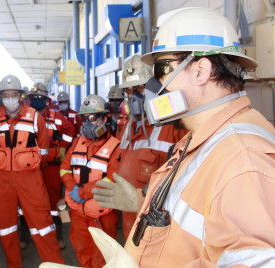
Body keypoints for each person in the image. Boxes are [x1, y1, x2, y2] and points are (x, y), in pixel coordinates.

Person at [95, 7, 275, 267]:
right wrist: (141, 202)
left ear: (201, 71)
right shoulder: (203, 140)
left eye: (160, 70)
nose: (153, 87)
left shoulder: (243, 161)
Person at [103, 55, 187, 240]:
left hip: (157, 221)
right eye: (130, 90)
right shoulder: (128, 127)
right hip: (129, 216)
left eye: (140, 87)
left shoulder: (173, 125)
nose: (134, 96)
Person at [0, 74, 65, 268]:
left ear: (21, 96)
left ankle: (55, 264)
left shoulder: (35, 117)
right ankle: (14, 265)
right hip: (2, 181)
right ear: (0, 96)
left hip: (30, 179)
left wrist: (25, 165)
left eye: (14, 94)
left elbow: (44, 151)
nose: (10, 98)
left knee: (43, 225)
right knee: (6, 228)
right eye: (6, 94)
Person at [59, 94, 120, 267]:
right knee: (82, 252)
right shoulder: (78, 142)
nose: (87, 123)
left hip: (102, 214)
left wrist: (83, 192)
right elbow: (64, 168)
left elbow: (113, 178)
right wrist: (72, 188)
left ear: (104, 118)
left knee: (103, 256)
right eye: (84, 118)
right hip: (78, 213)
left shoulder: (115, 146)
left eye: (92, 117)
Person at [28, 82, 75, 249]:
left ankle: (59, 234)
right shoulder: (24, 116)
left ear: (47, 100)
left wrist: (62, 147)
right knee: (30, 202)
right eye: (33, 98)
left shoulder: (56, 116)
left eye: (40, 98)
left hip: (51, 167)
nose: (36, 101)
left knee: (56, 201)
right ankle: (27, 236)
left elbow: (70, 130)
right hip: (30, 168)